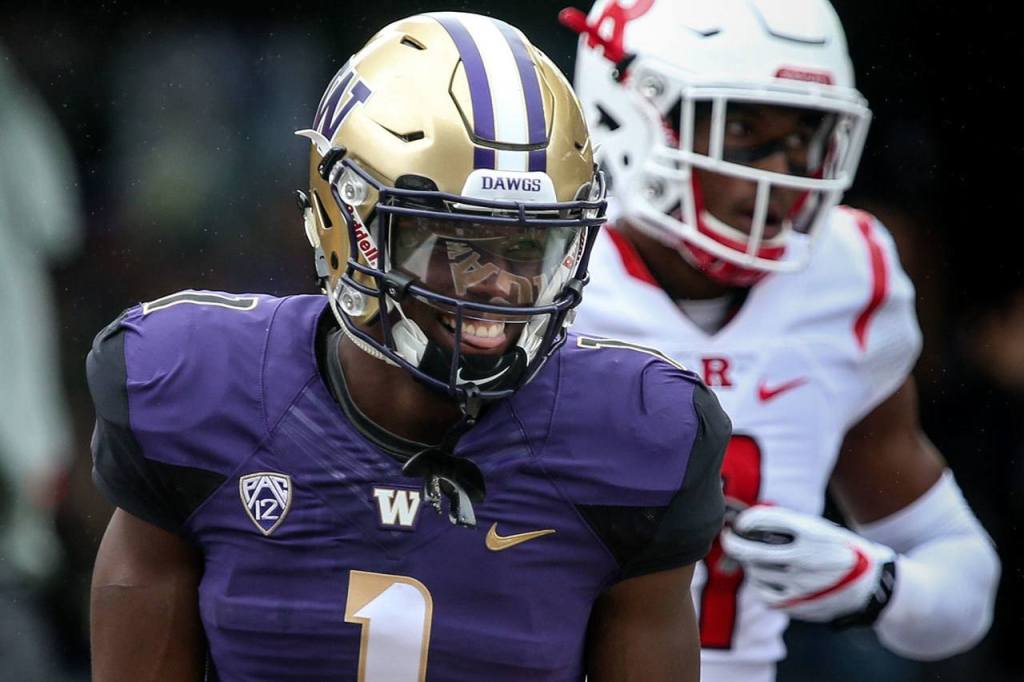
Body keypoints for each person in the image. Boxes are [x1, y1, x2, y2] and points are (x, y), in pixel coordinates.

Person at [85, 12, 731, 682]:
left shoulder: (632, 436)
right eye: (454, 242)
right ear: (348, 218)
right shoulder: (197, 390)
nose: (499, 285)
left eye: (527, 243)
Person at [561, 1, 1000, 680]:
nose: (785, 172)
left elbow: (963, 587)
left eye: (805, 134)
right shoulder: (542, 271)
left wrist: (871, 583)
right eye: (741, 126)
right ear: (631, 113)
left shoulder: (846, 277)